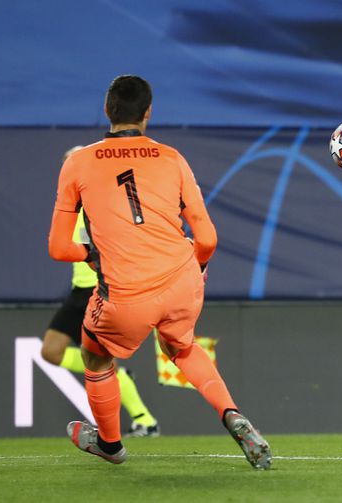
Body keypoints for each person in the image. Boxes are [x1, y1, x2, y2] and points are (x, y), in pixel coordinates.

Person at [48, 75, 271, 469]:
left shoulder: (78, 163)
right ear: (148, 113)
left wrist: (94, 253)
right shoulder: (172, 158)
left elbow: (58, 248)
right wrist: (196, 269)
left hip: (126, 292)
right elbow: (207, 238)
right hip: (182, 278)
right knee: (181, 346)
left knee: (95, 354)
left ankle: (111, 444)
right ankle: (231, 414)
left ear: (107, 110)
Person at [42, 146, 160, 438]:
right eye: (67, 164)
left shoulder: (105, 202)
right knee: (50, 351)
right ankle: (120, 378)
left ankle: (144, 420)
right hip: (79, 292)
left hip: (102, 289)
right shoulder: (68, 207)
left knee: (101, 359)